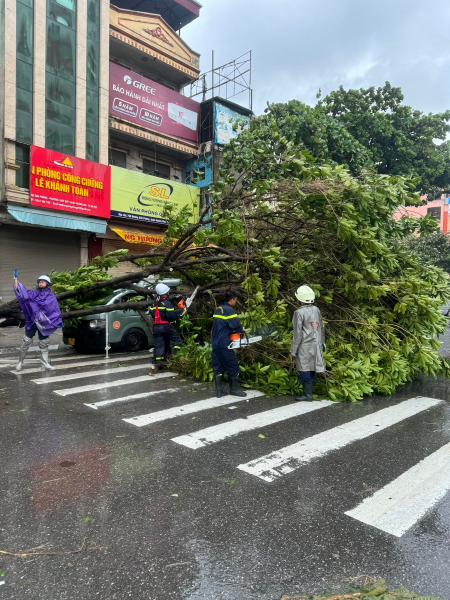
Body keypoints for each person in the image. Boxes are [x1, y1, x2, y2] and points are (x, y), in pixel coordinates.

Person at [13, 272, 63, 372]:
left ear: (47, 283)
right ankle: (20, 362)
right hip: (32, 321)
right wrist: (15, 280)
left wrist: (56, 321)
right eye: (39, 282)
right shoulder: (33, 293)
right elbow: (23, 295)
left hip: (44, 324)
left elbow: (54, 310)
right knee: (26, 342)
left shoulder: (51, 297)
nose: (40, 284)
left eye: (42, 282)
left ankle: (46, 364)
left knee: (44, 343)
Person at [290, 285, 325, 402]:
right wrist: (322, 342)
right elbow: (321, 327)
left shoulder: (298, 313)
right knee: (312, 367)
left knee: (304, 368)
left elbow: (297, 334)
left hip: (304, 345)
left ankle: (307, 395)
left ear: (300, 299)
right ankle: (308, 394)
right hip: (316, 343)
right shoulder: (316, 309)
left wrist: (294, 350)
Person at [211, 290, 247, 398]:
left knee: (218, 366)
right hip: (224, 343)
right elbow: (235, 324)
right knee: (233, 365)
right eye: (235, 300)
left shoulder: (218, 309)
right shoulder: (229, 310)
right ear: (231, 300)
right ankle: (234, 390)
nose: (235, 302)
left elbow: (222, 326)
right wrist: (241, 329)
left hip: (215, 342)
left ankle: (219, 391)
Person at [149, 283, 183, 371]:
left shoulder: (154, 303)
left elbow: (153, 313)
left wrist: (174, 297)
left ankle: (158, 363)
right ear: (166, 292)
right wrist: (180, 310)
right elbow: (171, 316)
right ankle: (176, 357)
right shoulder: (167, 304)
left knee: (159, 344)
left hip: (156, 327)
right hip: (165, 326)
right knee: (177, 339)